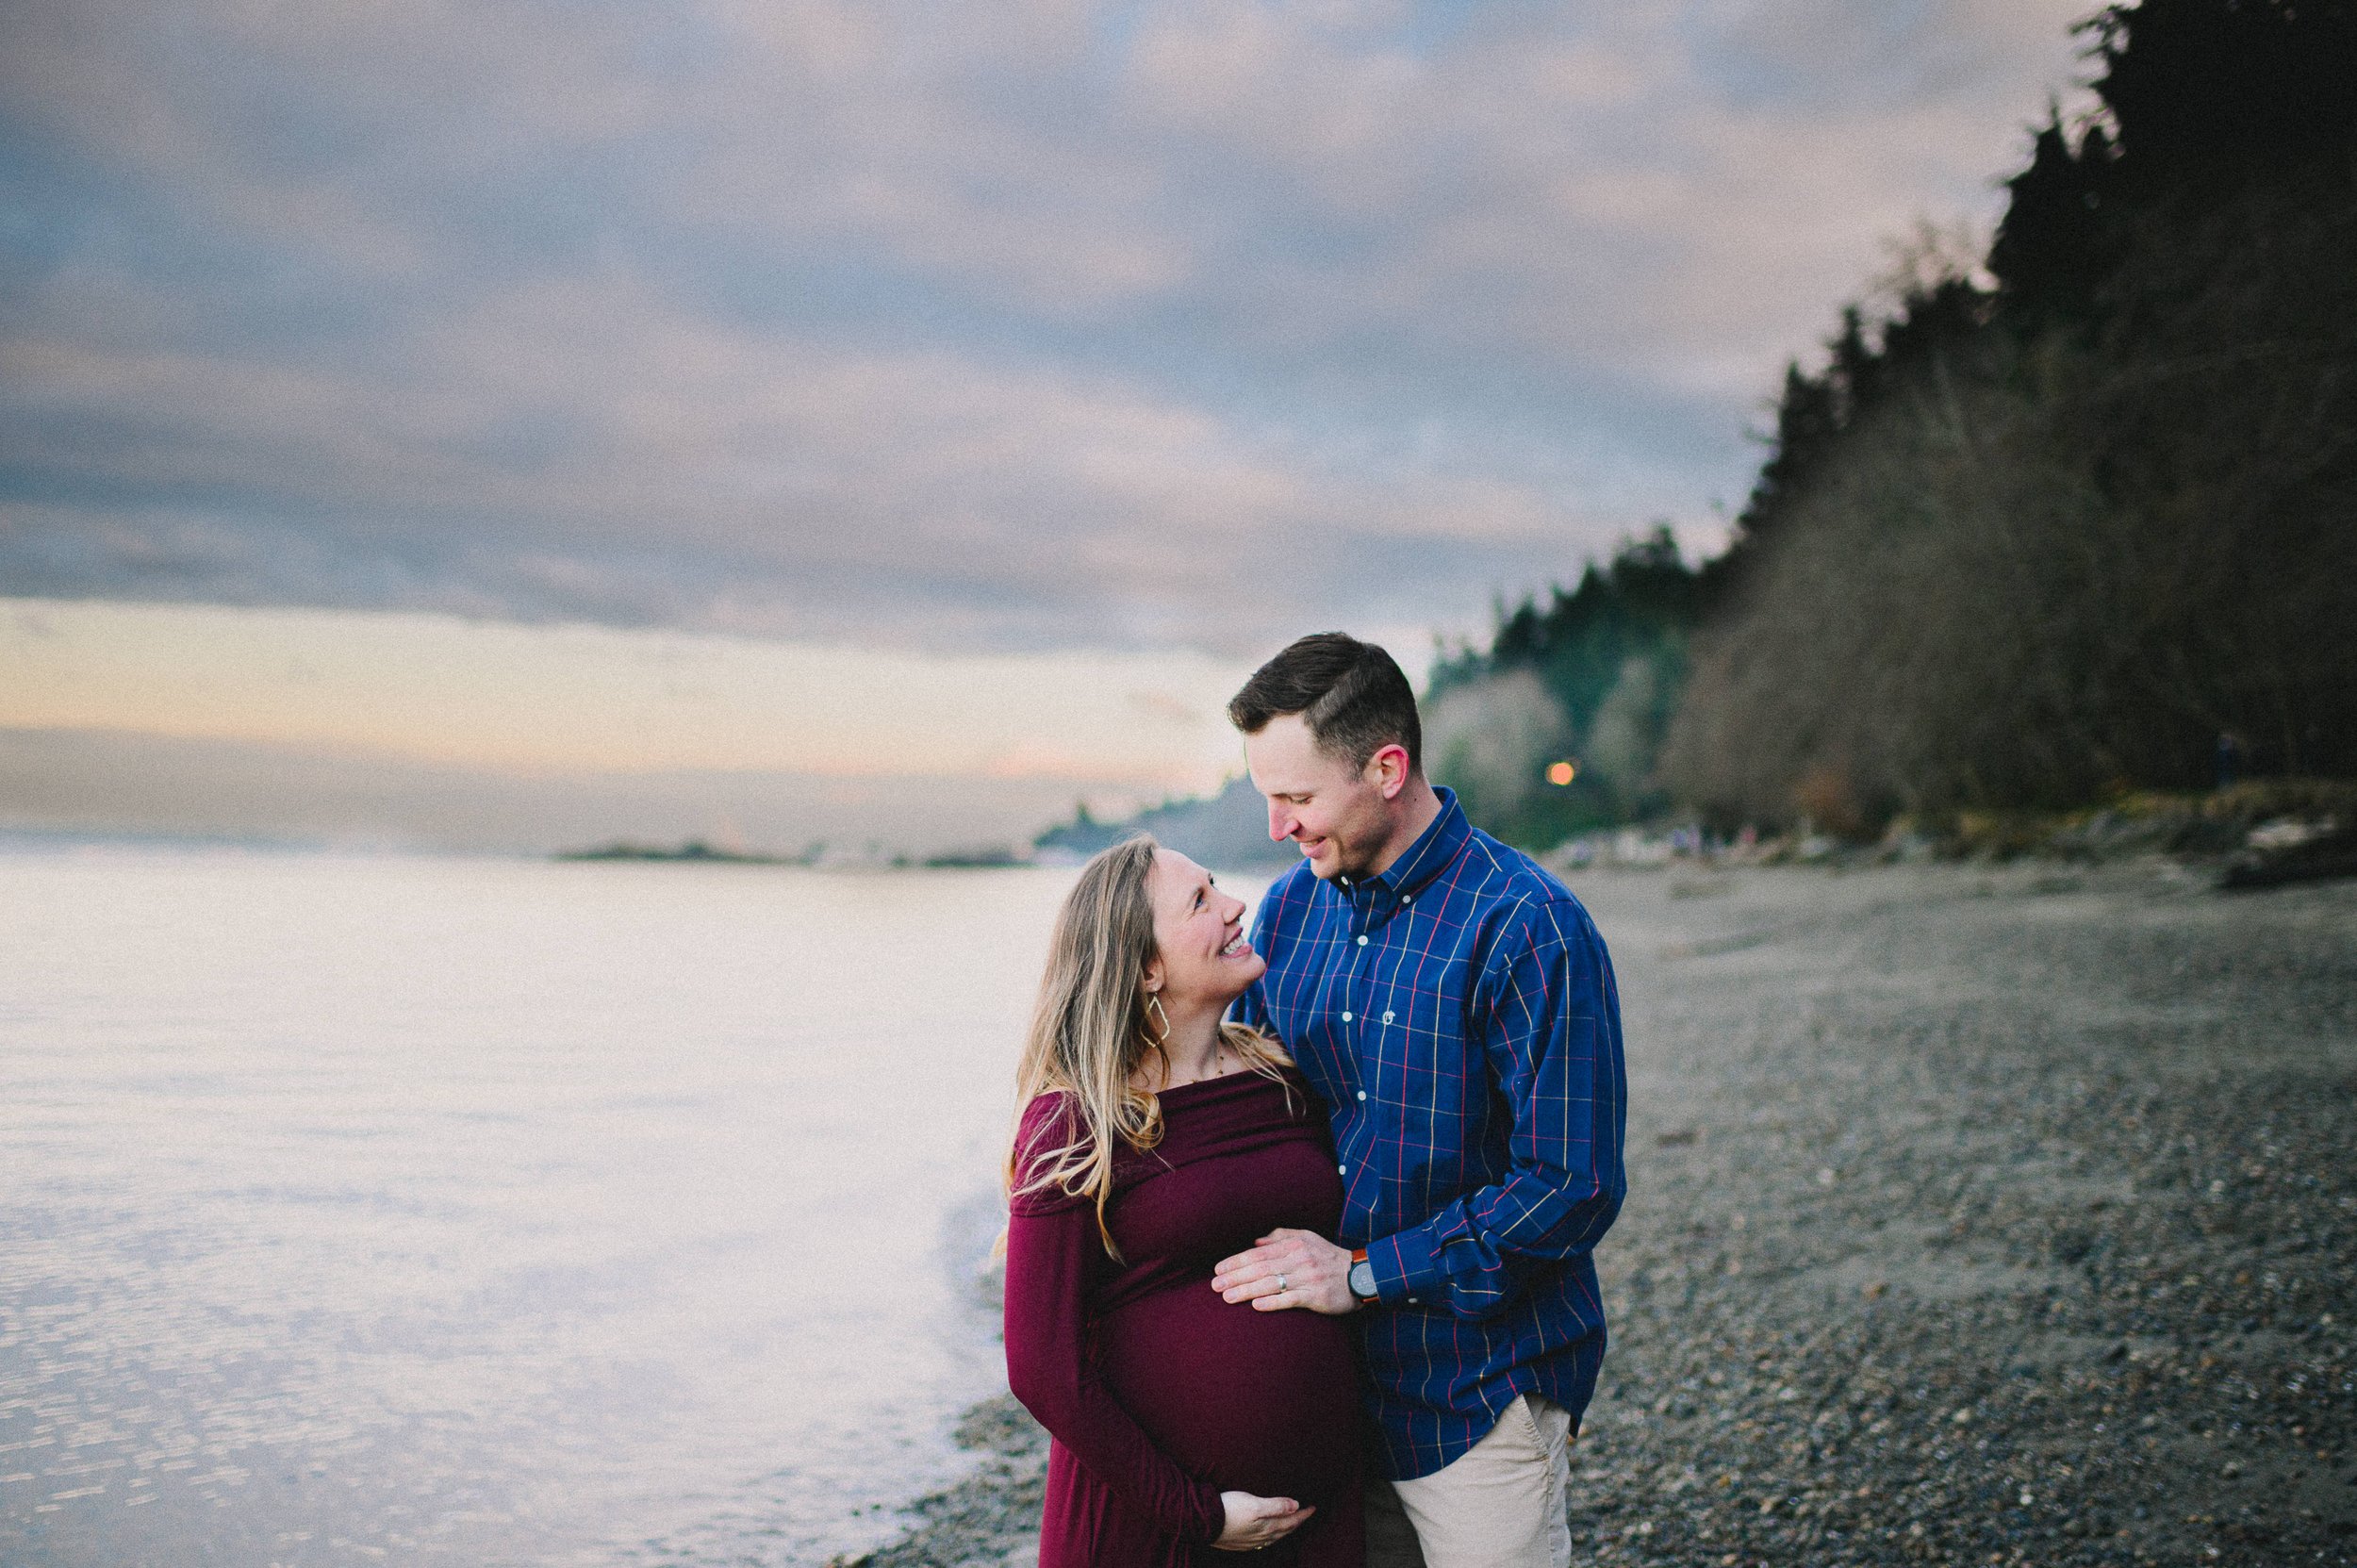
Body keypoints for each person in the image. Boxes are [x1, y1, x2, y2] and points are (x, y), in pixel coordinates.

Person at [1208, 632, 1627, 1568]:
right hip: (1322, 1389)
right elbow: (1236, 1113)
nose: (1279, 826)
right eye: (1267, 798)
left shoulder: (1528, 926)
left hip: (1478, 1386)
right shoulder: (1286, 914)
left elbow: (1570, 1185)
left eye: (1298, 798)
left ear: (1388, 768)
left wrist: (1359, 1271)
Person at [1002, 835, 1366, 1567]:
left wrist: (1356, 1275)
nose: (1237, 907)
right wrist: (1195, 1512)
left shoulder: (1280, 1076)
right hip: (1155, 1529)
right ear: (1145, 967)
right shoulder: (1078, 1124)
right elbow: (1041, 1364)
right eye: (1201, 901)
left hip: (1317, 1514)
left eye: (1218, 885)